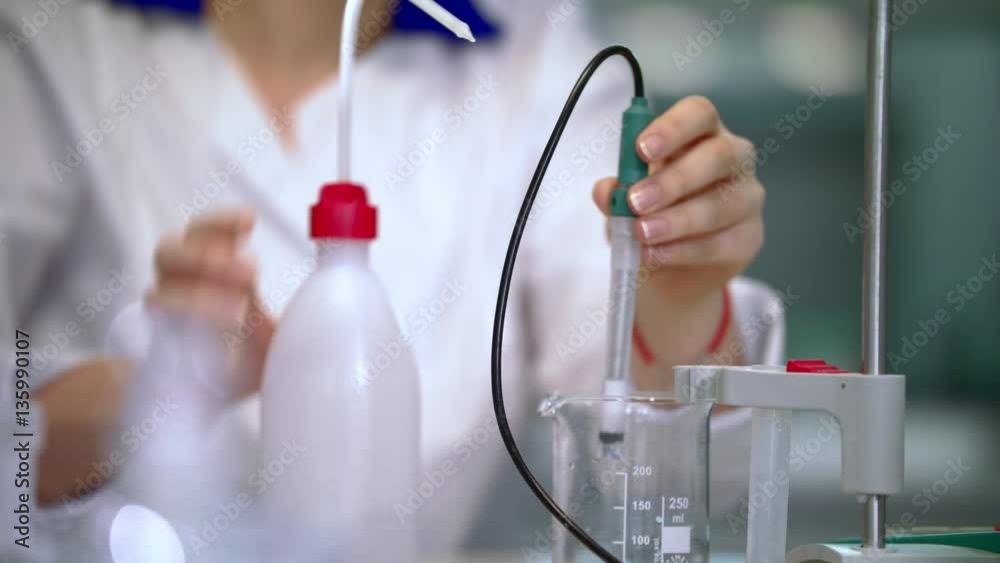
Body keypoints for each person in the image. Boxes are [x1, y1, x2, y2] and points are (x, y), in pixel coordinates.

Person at [0, 0, 782, 553]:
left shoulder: (528, 49)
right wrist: (154, 384)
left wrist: (680, 293)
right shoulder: (55, 36)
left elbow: (643, 473)